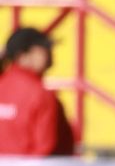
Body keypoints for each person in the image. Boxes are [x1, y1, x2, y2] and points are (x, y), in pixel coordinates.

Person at [0, 27, 74, 157]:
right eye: (44, 49)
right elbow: (44, 148)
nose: (51, 53)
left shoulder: (4, 84)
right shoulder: (40, 94)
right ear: (22, 55)